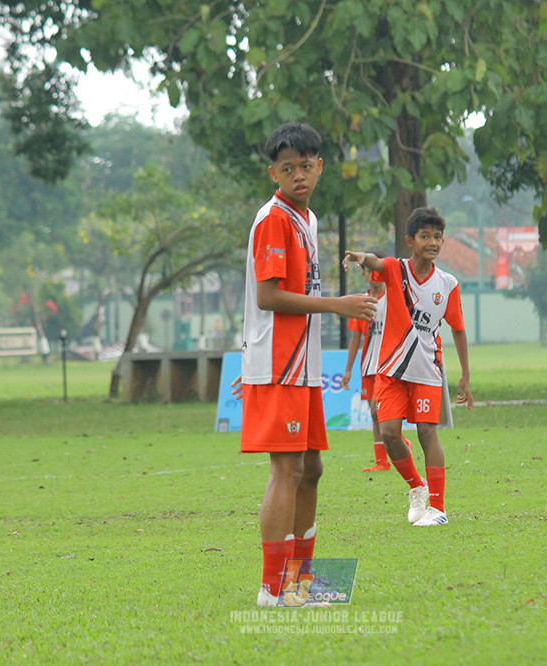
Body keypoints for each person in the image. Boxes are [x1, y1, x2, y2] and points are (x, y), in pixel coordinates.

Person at [241, 122, 378, 606]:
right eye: (287, 168)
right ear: (273, 173)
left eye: (306, 165)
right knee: (286, 469)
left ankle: (301, 579)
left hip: (304, 365)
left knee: (312, 468)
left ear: (319, 167)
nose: (298, 175)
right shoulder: (273, 219)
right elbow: (269, 296)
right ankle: (271, 587)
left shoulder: (307, 218)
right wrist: (337, 305)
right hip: (280, 363)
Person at [343, 207, 474, 527]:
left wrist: (465, 375)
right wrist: (361, 256)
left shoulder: (448, 284)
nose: (433, 242)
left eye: (438, 237)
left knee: (428, 434)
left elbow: (457, 328)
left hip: (428, 371)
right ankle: (417, 488)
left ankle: (438, 509)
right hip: (390, 370)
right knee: (389, 433)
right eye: (425, 236)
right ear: (410, 241)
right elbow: (376, 262)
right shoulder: (395, 269)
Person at [343, 251, 393, 471]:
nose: (371, 274)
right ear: (364, 274)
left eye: (375, 270)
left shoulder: (393, 299)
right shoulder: (361, 302)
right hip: (368, 366)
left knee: (376, 411)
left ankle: (395, 445)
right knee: (374, 414)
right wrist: (348, 370)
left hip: (389, 364)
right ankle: (383, 459)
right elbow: (356, 337)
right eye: (367, 270)